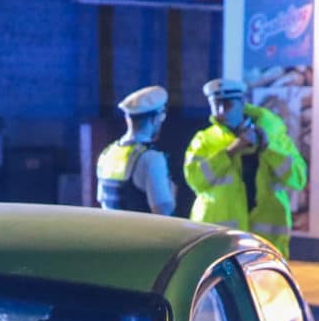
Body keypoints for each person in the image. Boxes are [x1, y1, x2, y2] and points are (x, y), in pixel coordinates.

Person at [184, 77, 303, 255]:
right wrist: (230, 152)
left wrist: (268, 149)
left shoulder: (273, 133)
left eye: (228, 104)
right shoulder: (205, 139)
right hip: (219, 242)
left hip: (266, 241)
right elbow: (196, 180)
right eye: (216, 105)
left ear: (242, 103)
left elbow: (298, 178)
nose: (222, 111)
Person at [96, 86, 177, 214]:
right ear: (156, 119)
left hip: (110, 232)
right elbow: (163, 212)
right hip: (140, 234)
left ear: (128, 119)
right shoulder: (151, 158)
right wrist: (171, 192)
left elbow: (102, 201)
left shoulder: (107, 153)